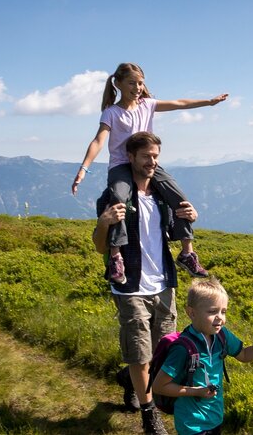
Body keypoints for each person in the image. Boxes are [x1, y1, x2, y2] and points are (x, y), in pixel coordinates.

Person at [77, 62, 229, 284]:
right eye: (132, 83)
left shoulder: (147, 105)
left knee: (179, 197)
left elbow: (179, 103)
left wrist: (209, 102)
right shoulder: (111, 113)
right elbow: (99, 140)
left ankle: (187, 252)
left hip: (146, 162)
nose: (138, 87)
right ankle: (116, 257)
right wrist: (84, 168)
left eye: (140, 83)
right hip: (121, 165)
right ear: (118, 84)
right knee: (119, 201)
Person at [92, 131, 199, 435]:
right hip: (129, 285)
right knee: (140, 354)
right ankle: (150, 416)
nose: (152, 162)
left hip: (164, 284)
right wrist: (104, 222)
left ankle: (129, 379)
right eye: (146, 157)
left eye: (156, 157)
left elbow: (177, 228)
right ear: (131, 158)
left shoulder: (164, 198)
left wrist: (193, 215)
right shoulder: (113, 197)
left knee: (160, 353)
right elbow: (100, 246)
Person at [153, 277, 253, 435]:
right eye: (213, 311)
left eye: (223, 311)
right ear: (191, 313)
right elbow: (159, 386)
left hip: (215, 418)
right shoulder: (183, 349)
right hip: (191, 423)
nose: (220, 317)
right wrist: (196, 391)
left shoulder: (222, 337)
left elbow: (244, 354)